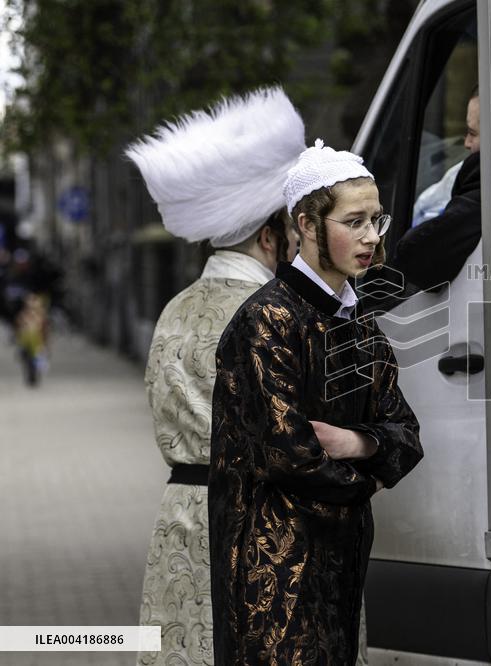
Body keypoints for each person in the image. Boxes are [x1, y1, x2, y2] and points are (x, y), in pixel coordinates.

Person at [209, 140, 423, 665]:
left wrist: (355, 441)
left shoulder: (360, 321)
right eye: (354, 221)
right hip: (273, 568)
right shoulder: (266, 322)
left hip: (340, 560)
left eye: (377, 219)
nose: (371, 236)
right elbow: (292, 455)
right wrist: (370, 473)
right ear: (306, 224)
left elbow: (406, 435)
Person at [125, 87, 307, 666]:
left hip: (184, 518)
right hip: (262, 520)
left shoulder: (174, 308)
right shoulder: (281, 314)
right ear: (269, 235)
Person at [391, 88, 482, 293]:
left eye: (472, 133)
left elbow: (414, 256)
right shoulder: (458, 175)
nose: (466, 143)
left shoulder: (480, 188)